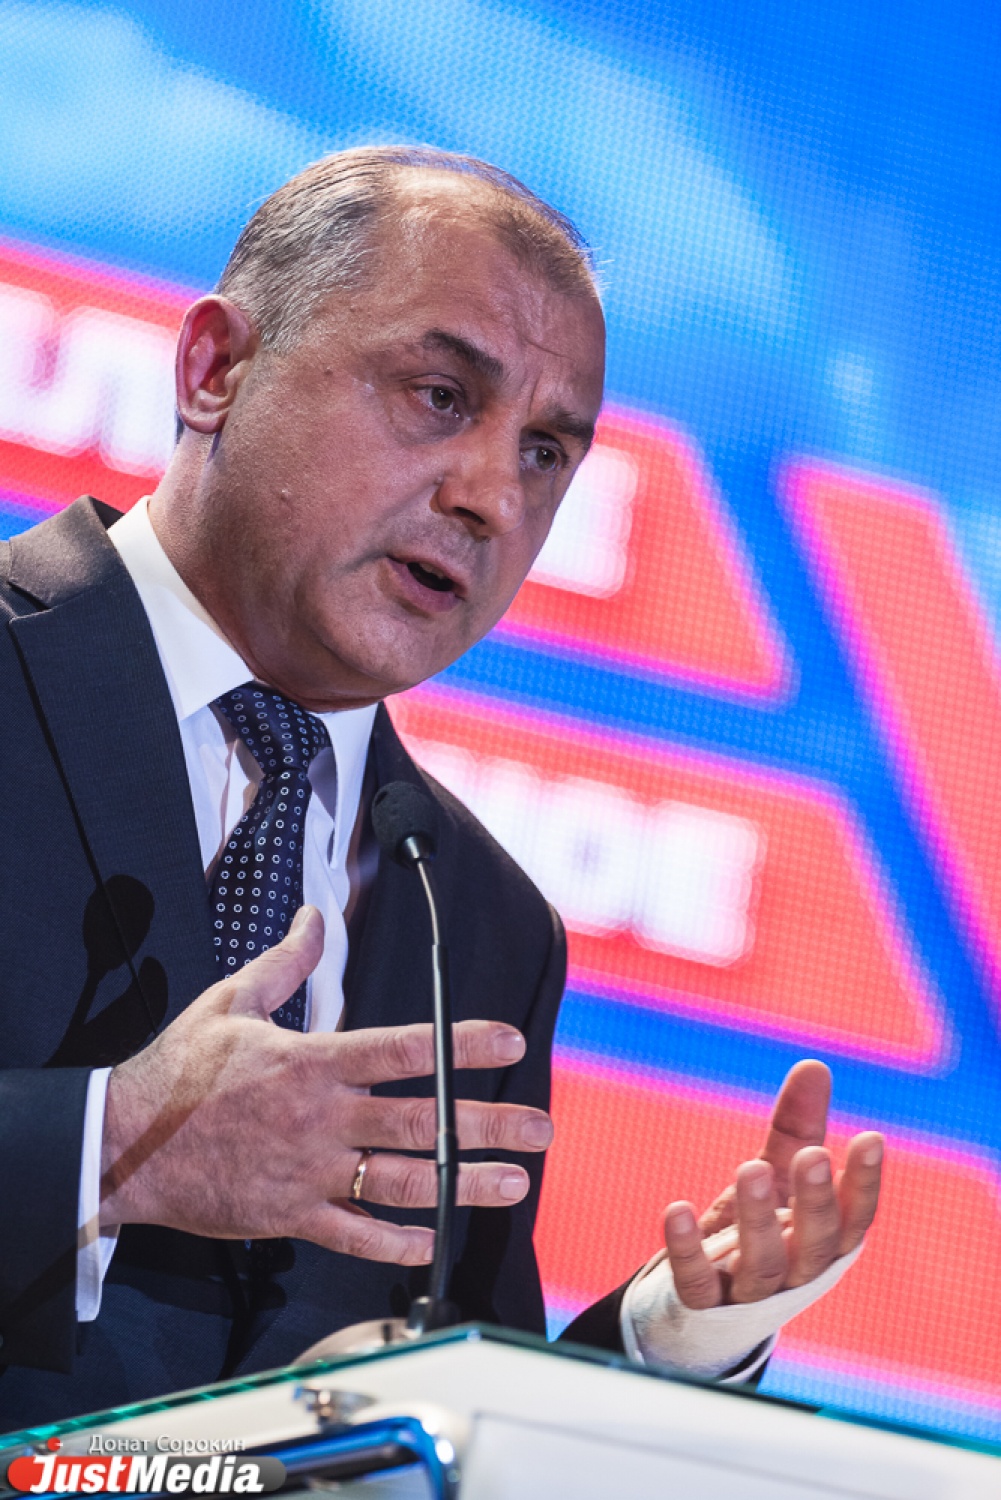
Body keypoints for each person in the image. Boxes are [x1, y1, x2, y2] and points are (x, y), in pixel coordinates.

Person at [0, 147, 882, 1429]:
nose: (487, 497)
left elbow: (444, 1409)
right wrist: (108, 1149)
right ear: (215, 369)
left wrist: (670, 1340)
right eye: (436, 396)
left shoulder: (475, 918)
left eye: (544, 452)